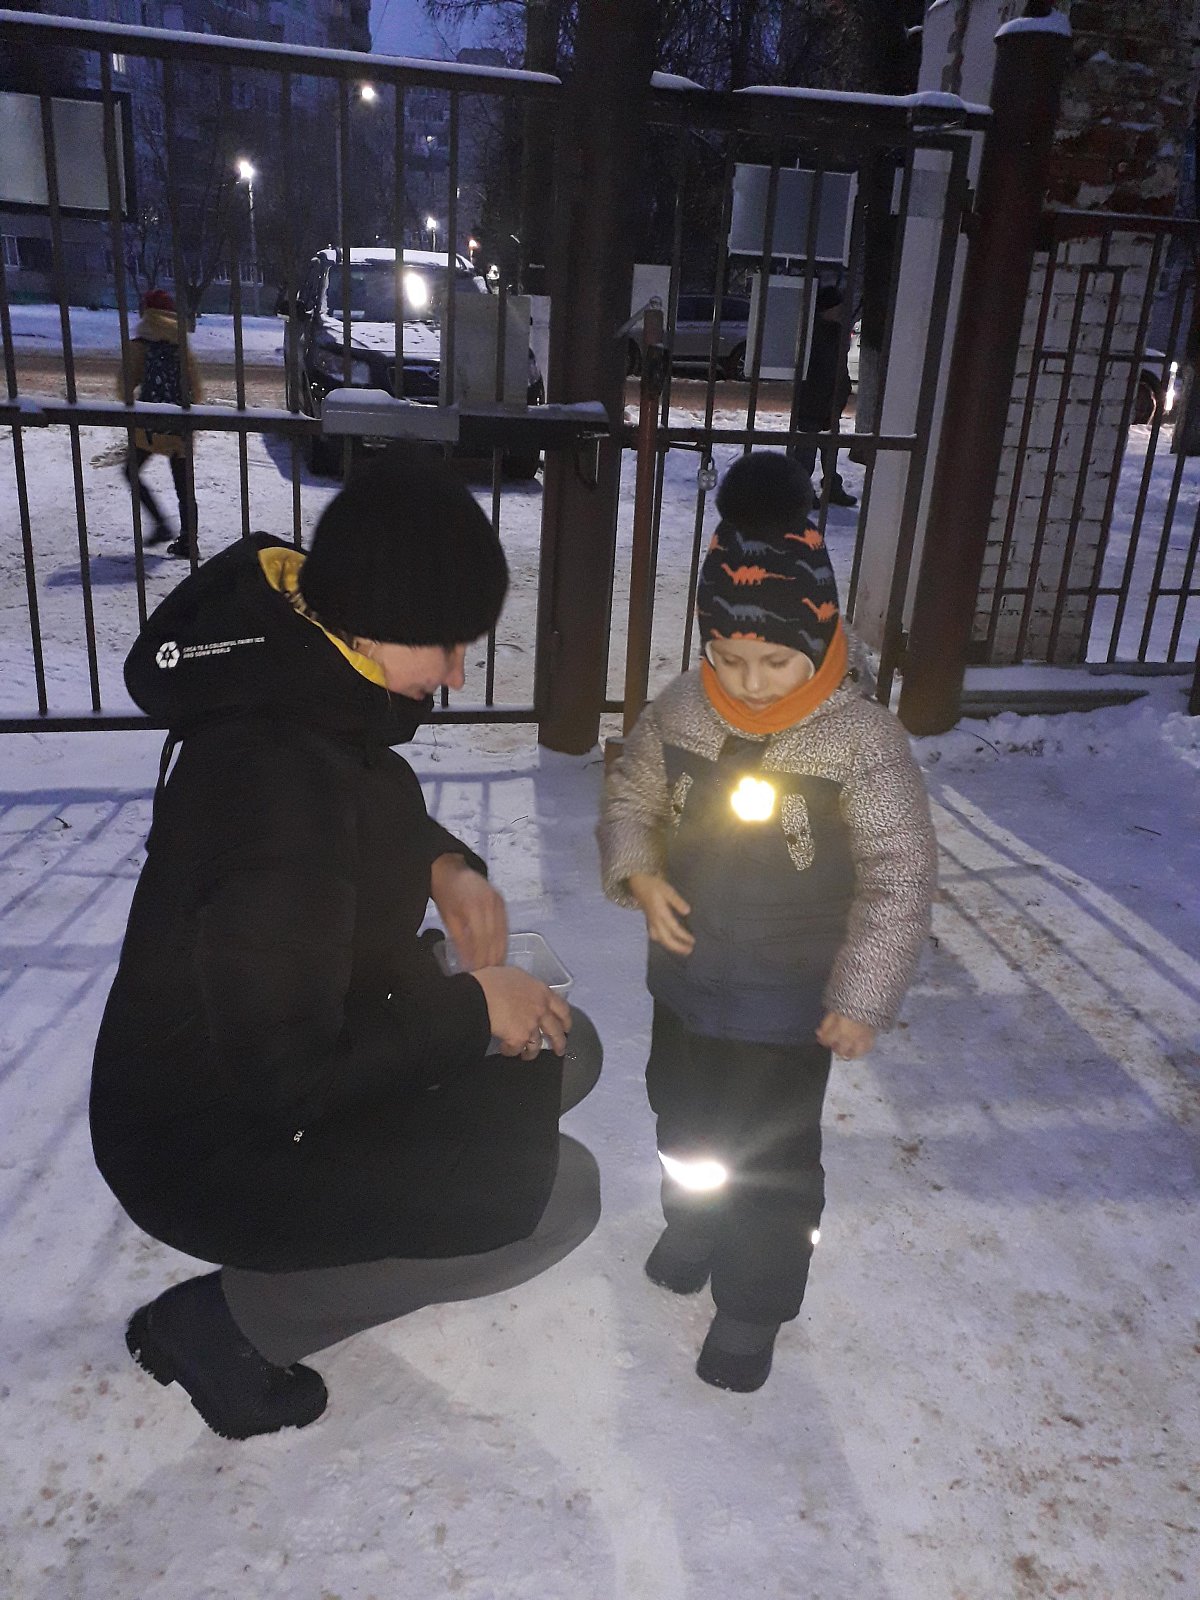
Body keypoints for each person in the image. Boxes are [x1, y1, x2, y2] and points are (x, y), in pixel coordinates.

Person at [91, 447, 602, 1440]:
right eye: (447, 646)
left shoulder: (306, 676)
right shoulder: (274, 786)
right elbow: (290, 1074)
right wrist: (472, 1009)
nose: (457, 673)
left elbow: (362, 803)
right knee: (556, 1198)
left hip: (301, 1040)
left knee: (563, 1050)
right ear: (373, 622)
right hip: (210, 1137)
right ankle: (228, 1326)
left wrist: (443, 865)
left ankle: (360, 1206)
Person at [598, 450, 936, 1393]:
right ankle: (693, 1223)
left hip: (788, 1009)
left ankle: (753, 1303)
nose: (747, 681)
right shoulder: (684, 710)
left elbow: (901, 875)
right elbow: (631, 795)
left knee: (773, 1162)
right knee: (683, 1123)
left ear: (821, 638)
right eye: (727, 656)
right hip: (686, 987)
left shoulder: (860, 742)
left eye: (774, 660)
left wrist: (861, 996)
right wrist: (640, 870)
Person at [116, 287, 202, 558]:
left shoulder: (140, 343)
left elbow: (122, 389)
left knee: (130, 471)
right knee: (184, 488)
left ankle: (161, 523)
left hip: (149, 426)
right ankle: (189, 542)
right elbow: (198, 391)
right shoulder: (181, 343)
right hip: (179, 425)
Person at [794, 283, 857, 507]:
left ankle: (832, 488)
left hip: (830, 399)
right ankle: (803, 491)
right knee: (807, 450)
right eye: (836, 307)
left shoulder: (836, 331)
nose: (840, 311)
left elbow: (839, 367)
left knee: (829, 449)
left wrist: (843, 390)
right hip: (813, 399)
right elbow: (816, 368)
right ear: (826, 308)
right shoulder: (813, 333)